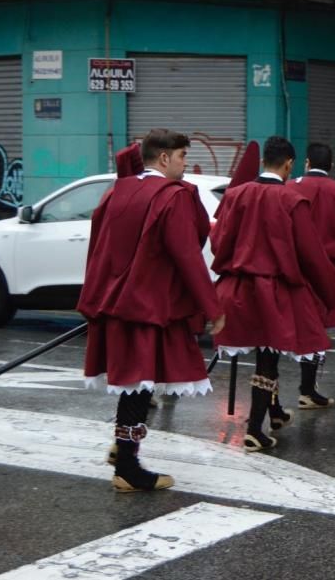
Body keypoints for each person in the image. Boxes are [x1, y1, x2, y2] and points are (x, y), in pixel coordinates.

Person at [79, 129, 225, 492]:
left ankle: (123, 449)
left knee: (135, 382)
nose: (185, 164)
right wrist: (211, 306)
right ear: (163, 158)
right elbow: (187, 254)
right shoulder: (170, 197)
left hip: (116, 300)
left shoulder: (117, 192)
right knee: (139, 384)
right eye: (181, 157)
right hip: (149, 304)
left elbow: (98, 245)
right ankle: (127, 466)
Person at [210, 136, 335, 452]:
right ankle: (255, 428)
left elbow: (218, 243)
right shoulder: (291, 201)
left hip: (237, 287)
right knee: (268, 358)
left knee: (262, 355)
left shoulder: (235, 195)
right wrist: (330, 294)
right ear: (289, 164)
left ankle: (276, 413)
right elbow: (310, 254)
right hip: (274, 290)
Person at [288, 142, 335, 409]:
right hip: (328, 270)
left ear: (306, 163)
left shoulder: (290, 187)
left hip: (296, 268)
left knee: (290, 329)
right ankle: (307, 388)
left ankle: (277, 395)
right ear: (331, 165)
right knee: (318, 329)